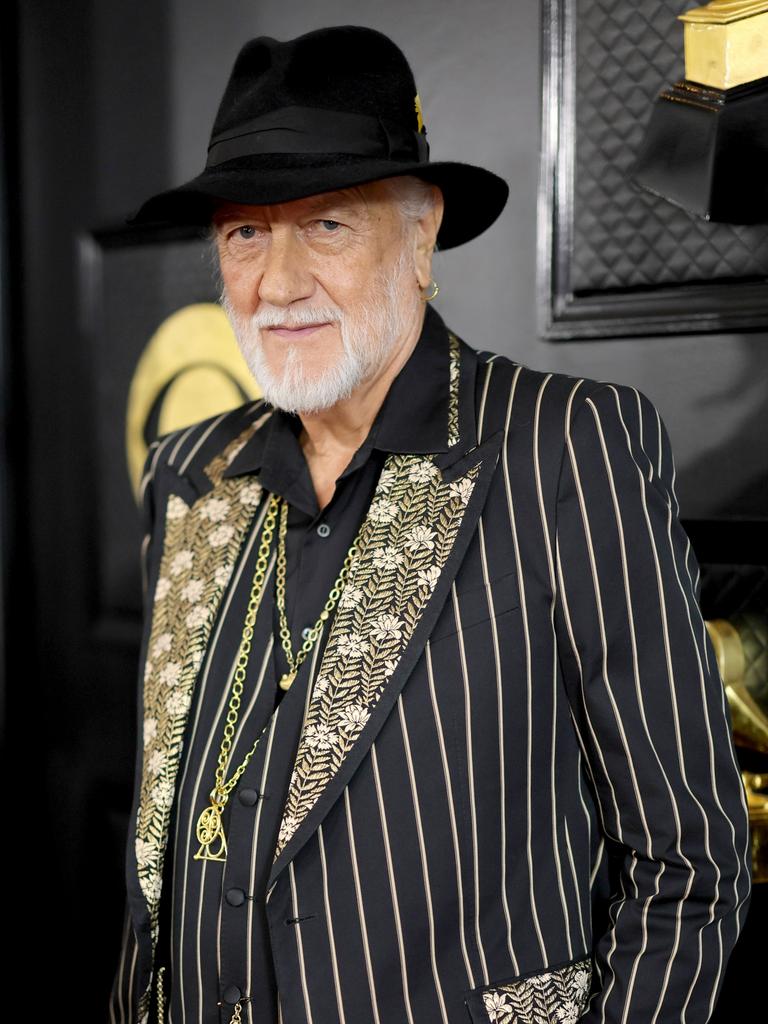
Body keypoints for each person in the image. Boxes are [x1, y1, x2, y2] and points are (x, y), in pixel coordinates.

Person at [108, 24, 752, 1024]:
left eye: (325, 225)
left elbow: (688, 857)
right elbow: (159, 864)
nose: (276, 285)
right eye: (245, 233)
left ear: (420, 234)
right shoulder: (189, 468)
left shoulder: (565, 445)